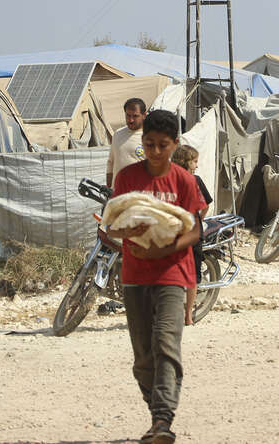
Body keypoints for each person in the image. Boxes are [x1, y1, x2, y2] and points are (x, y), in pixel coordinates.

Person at [106, 109, 205, 444]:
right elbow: (110, 226)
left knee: (165, 343)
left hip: (173, 273)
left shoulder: (184, 181)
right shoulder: (127, 178)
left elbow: (196, 229)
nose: (156, 151)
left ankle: (163, 419)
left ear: (175, 144)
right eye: (149, 144)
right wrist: (124, 232)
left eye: (163, 145)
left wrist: (164, 250)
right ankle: (157, 416)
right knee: (143, 358)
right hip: (135, 275)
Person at [170, 144, 212, 326]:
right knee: (191, 276)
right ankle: (187, 316)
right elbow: (205, 206)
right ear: (185, 162)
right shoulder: (195, 181)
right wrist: (199, 219)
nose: (197, 165)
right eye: (194, 161)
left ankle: (181, 314)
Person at [107, 97, 147, 188]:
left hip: (139, 192)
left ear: (144, 115)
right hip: (118, 192)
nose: (131, 120)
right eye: (128, 116)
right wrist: (109, 188)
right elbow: (111, 162)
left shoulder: (150, 138)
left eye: (135, 116)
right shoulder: (117, 134)